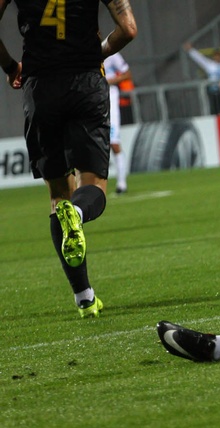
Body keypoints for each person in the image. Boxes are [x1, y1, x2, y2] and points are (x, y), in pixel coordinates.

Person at [0, 0, 137, 318]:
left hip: (41, 88)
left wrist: (10, 67)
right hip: (86, 84)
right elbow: (128, 29)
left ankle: (84, 297)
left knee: (58, 196)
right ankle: (78, 211)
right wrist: (98, 52)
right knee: (94, 186)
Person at [103, 51, 131, 195]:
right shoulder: (84, 52)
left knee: (114, 143)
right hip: (92, 102)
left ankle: (121, 183)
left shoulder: (111, 53)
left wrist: (107, 81)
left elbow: (127, 74)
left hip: (110, 100)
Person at [182, 41, 220, 114]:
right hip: (214, 93)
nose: (218, 57)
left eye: (219, 55)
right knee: (215, 111)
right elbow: (200, 59)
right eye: (216, 56)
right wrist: (191, 50)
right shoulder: (210, 65)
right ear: (213, 57)